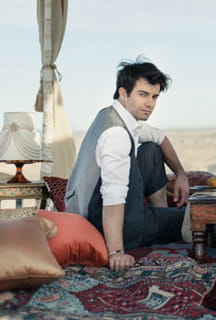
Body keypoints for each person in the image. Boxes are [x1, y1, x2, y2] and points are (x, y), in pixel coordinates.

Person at [65, 58, 189, 271]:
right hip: (106, 224)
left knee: (150, 148)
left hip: (93, 211)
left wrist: (180, 173)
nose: (150, 103)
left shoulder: (111, 114)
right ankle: (152, 225)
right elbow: (113, 195)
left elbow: (159, 137)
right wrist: (116, 252)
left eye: (154, 96)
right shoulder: (116, 134)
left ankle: (158, 216)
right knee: (197, 220)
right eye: (143, 94)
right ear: (123, 93)